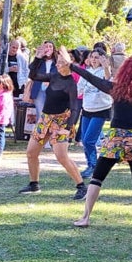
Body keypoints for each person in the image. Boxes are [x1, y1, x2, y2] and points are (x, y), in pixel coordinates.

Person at [70, 56, 132, 234]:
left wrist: (72, 66)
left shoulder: (116, 89)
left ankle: (85, 217)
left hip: (115, 137)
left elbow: (92, 78)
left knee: (97, 177)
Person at [20, 47, 85, 197]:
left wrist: (68, 128)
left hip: (61, 121)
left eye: (61, 62)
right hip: (45, 118)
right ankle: (34, 184)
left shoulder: (70, 84)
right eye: (58, 61)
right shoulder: (54, 76)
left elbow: (75, 108)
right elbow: (34, 75)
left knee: (61, 156)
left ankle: (81, 186)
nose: (57, 64)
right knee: (31, 153)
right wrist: (37, 58)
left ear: (69, 64)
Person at [77, 50, 114, 178]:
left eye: (97, 57)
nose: (93, 59)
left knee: (89, 140)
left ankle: (93, 166)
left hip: (101, 109)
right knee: (84, 139)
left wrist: (106, 67)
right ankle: (90, 164)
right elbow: (78, 89)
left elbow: (108, 80)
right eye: (92, 57)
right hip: (87, 109)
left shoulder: (104, 71)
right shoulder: (86, 72)